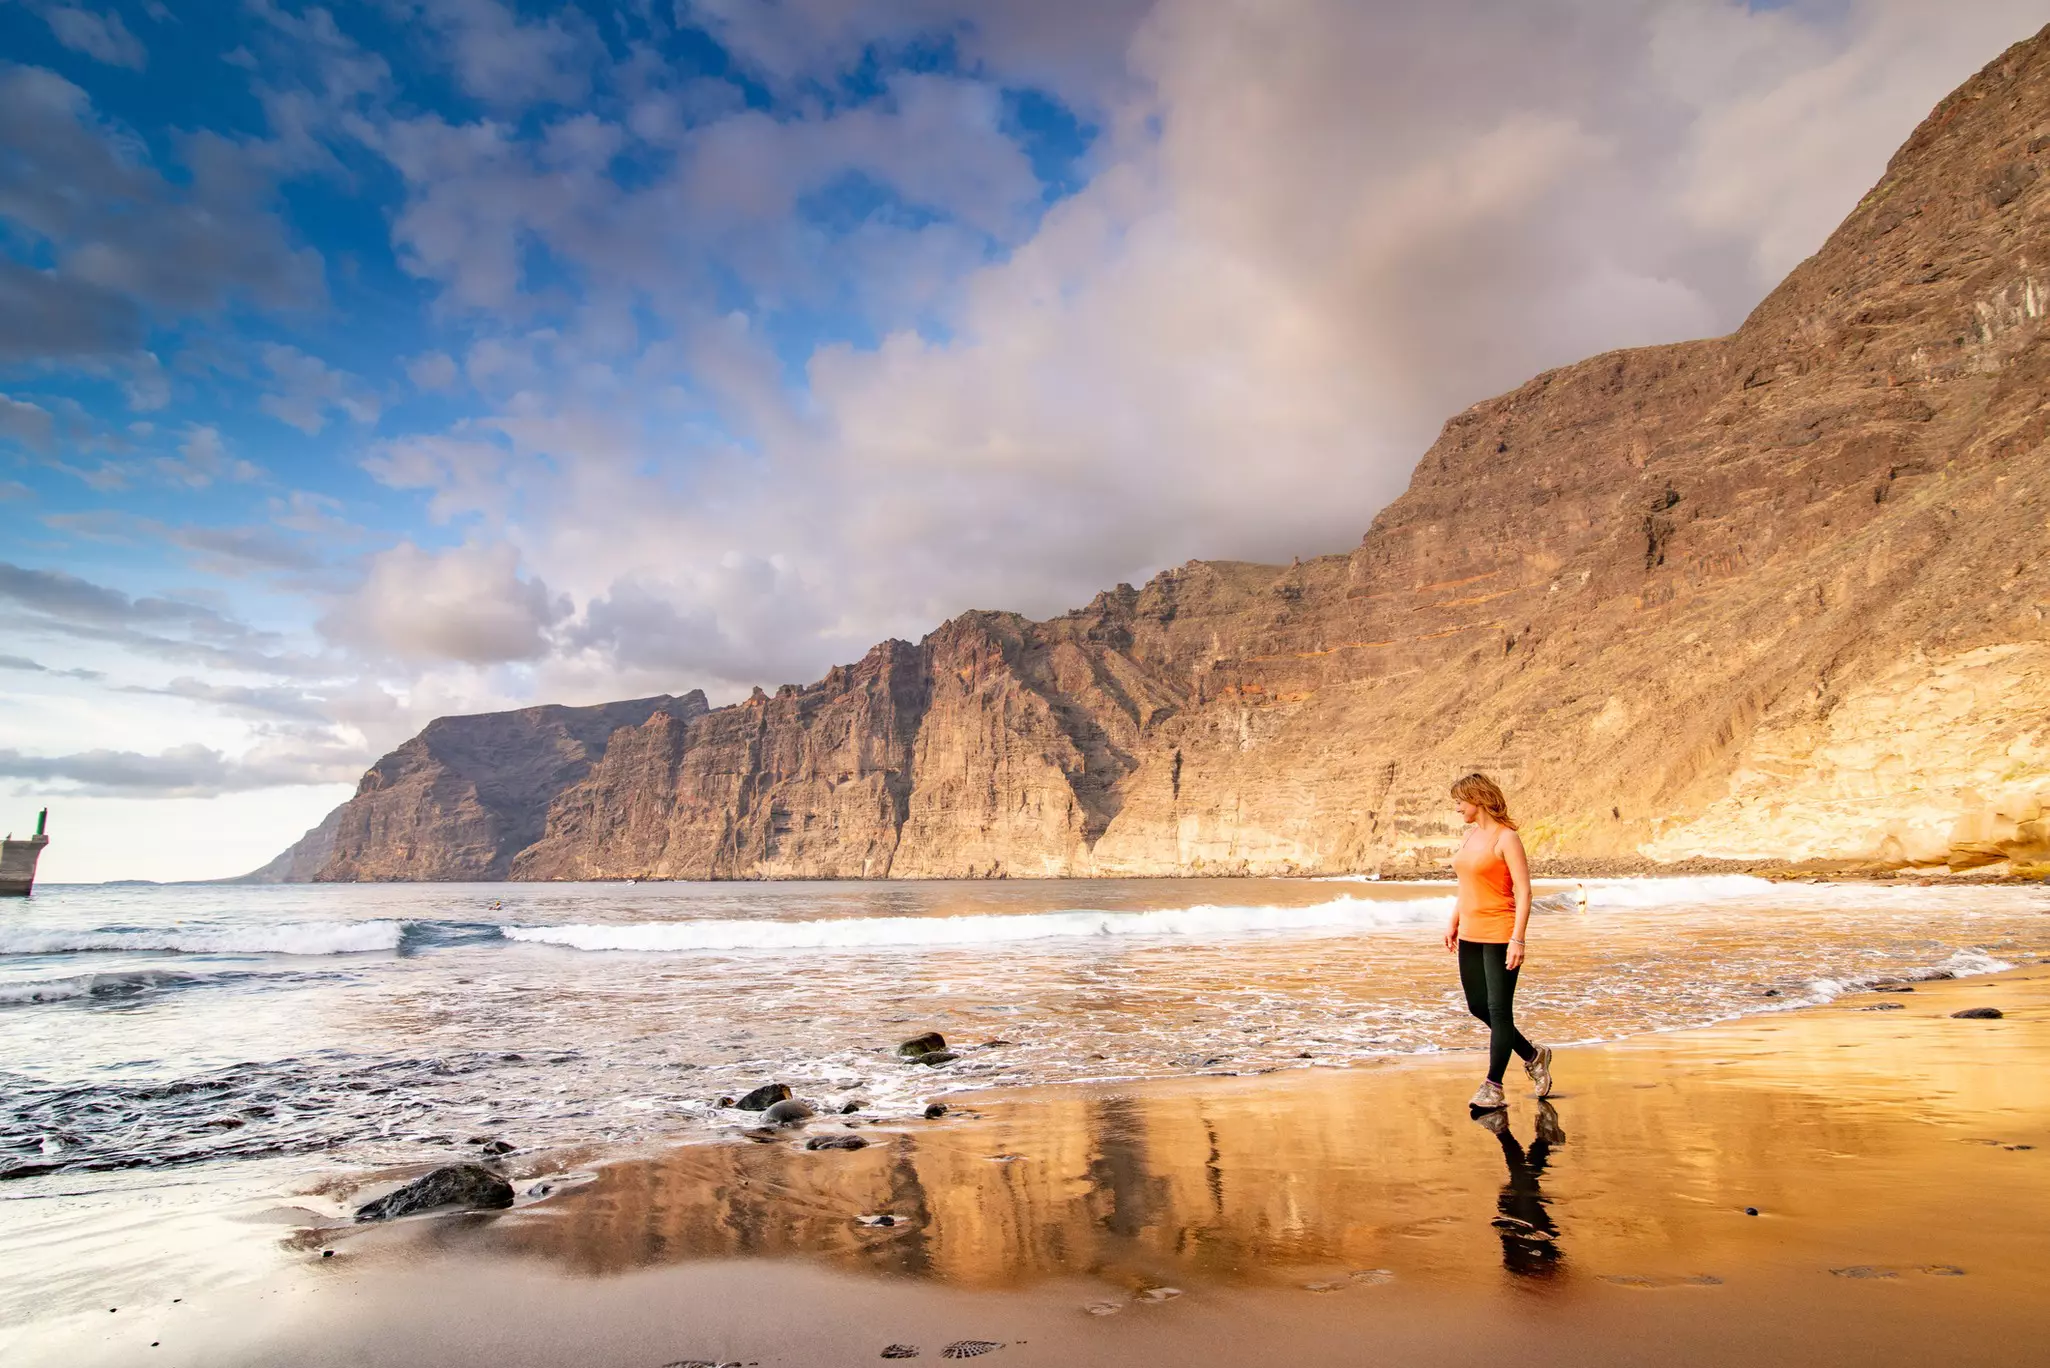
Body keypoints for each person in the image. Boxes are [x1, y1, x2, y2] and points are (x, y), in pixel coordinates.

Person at [1441, 773, 1553, 1110]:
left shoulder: (1507, 838)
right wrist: (1454, 921)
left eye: (1461, 801)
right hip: (1471, 933)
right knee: (1478, 1006)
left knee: (1498, 1011)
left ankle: (1494, 1086)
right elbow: (1467, 884)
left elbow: (1524, 890)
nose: (1458, 807)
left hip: (1500, 932)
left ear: (1477, 799)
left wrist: (1518, 939)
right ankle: (1534, 1055)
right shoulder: (1471, 837)